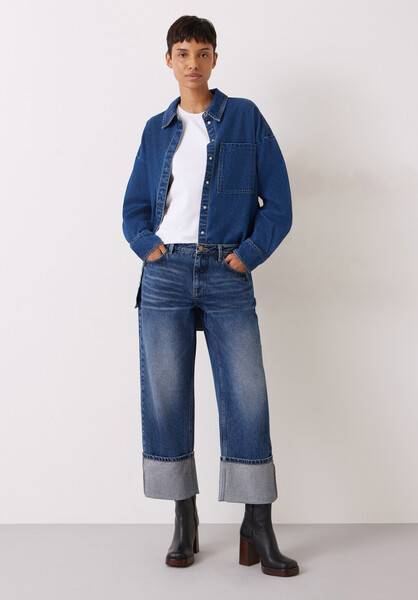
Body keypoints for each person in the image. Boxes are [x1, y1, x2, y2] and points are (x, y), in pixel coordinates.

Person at [122, 15, 299, 577]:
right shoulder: (156, 129)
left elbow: (280, 204)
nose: (193, 63)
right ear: (168, 61)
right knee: (167, 395)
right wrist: (149, 247)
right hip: (165, 275)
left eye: (202, 53)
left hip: (227, 272)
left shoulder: (244, 117)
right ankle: (185, 517)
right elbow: (133, 208)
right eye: (183, 53)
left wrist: (248, 254)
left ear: (215, 59)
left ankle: (257, 524)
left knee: (247, 394)